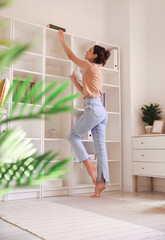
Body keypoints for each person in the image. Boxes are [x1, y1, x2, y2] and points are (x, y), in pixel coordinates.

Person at [59, 29, 110, 197]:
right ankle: (100, 184)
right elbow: (86, 92)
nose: (86, 52)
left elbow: (71, 57)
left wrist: (62, 39)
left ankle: (90, 166)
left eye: (89, 51)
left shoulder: (89, 66)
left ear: (94, 56)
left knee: (73, 136)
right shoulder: (94, 70)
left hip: (94, 109)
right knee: (100, 149)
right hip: (100, 110)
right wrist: (75, 81)